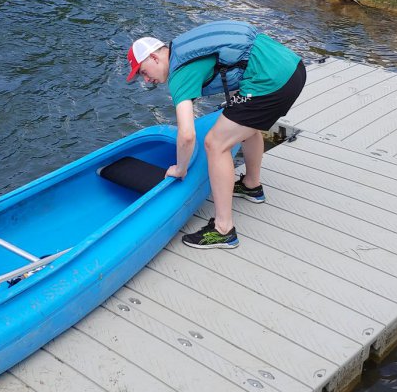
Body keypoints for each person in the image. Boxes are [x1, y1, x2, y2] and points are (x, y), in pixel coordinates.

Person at [126, 20, 306, 249]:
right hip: (291, 67)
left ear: (154, 57)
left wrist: (180, 168)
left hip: (271, 82)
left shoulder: (179, 75)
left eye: (143, 72)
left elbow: (188, 135)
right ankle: (252, 185)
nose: (146, 79)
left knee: (215, 143)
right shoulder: (182, 46)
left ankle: (223, 229)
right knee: (245, 124)